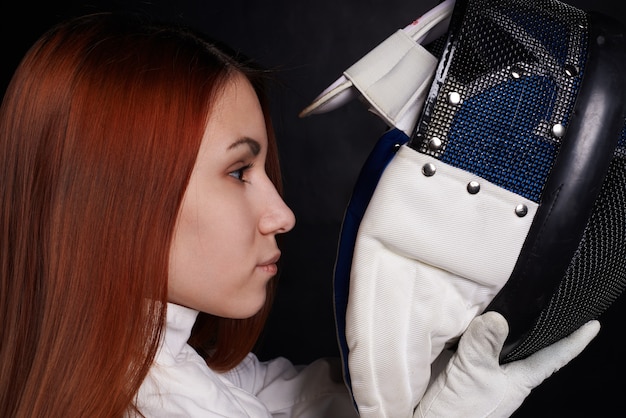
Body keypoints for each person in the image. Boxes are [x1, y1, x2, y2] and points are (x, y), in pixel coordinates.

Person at [0, 11, 600, 418]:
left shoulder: (147, 365)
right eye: (239, 173)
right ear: (118, 196)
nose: (282, 215)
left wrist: (426, 369)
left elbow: (286, 397)